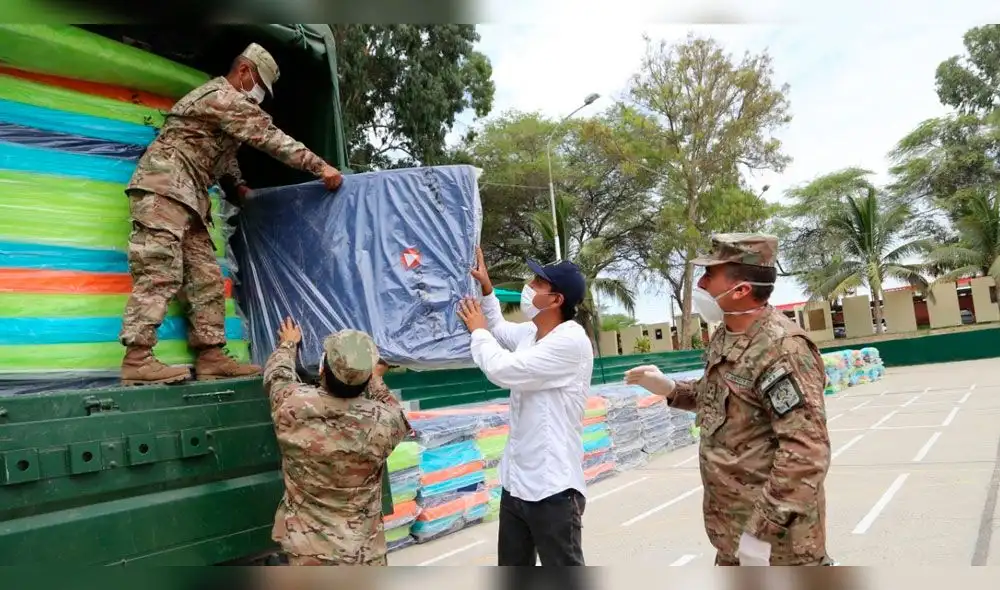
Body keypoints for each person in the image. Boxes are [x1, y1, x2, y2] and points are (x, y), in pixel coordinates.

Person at [119, 43, 344, 385]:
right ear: (243, 71)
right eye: (259, 86)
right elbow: (269, 138)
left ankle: (211, 356)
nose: (260, 96)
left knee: (207, 278)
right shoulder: (223, 97)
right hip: (163, 187)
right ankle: (137, 359)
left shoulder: (228, 108)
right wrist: (320, 167)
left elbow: (224, 154)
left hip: (191, 197)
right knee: (159, 270)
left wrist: (238, 187)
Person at [624, 233, 833, 567]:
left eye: (710, 276)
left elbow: (806, 453)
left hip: (778, 546)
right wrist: (669, 388)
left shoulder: (782, 349)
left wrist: (761, 533)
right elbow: (720, 396)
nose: (701, 282)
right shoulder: (726, 332)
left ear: (741, 290)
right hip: (732, 530)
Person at [457, 246, 594, 566]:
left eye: (538, 282)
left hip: (553, 489)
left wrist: (477, 331)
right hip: (517, 485)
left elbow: (502, 370)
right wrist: (488, 291)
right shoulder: (533, 333)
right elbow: (501, 330)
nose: (528, 286)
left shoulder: (570, 341)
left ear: (556, 300)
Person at [262, 317, 410, 566]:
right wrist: (373, 377)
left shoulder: (293, 404)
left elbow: (277, 376)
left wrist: (288, 344)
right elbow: (391, 407)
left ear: (322, 369)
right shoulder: (385, 421)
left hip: (310, 554)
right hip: (366, 553)